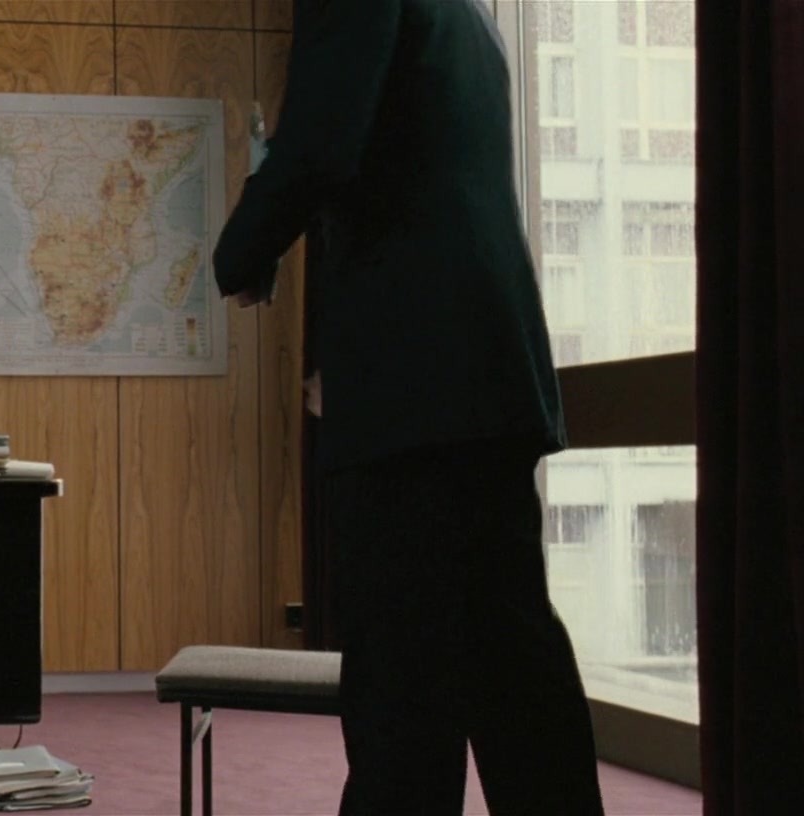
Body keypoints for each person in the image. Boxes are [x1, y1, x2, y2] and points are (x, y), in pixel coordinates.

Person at [210, 1, 605, 814]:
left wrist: (239, 252)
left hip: (412, 383)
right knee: (512, 669)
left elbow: (321, 143)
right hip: (485, 367)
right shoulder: (471, 16)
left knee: (403, 686)